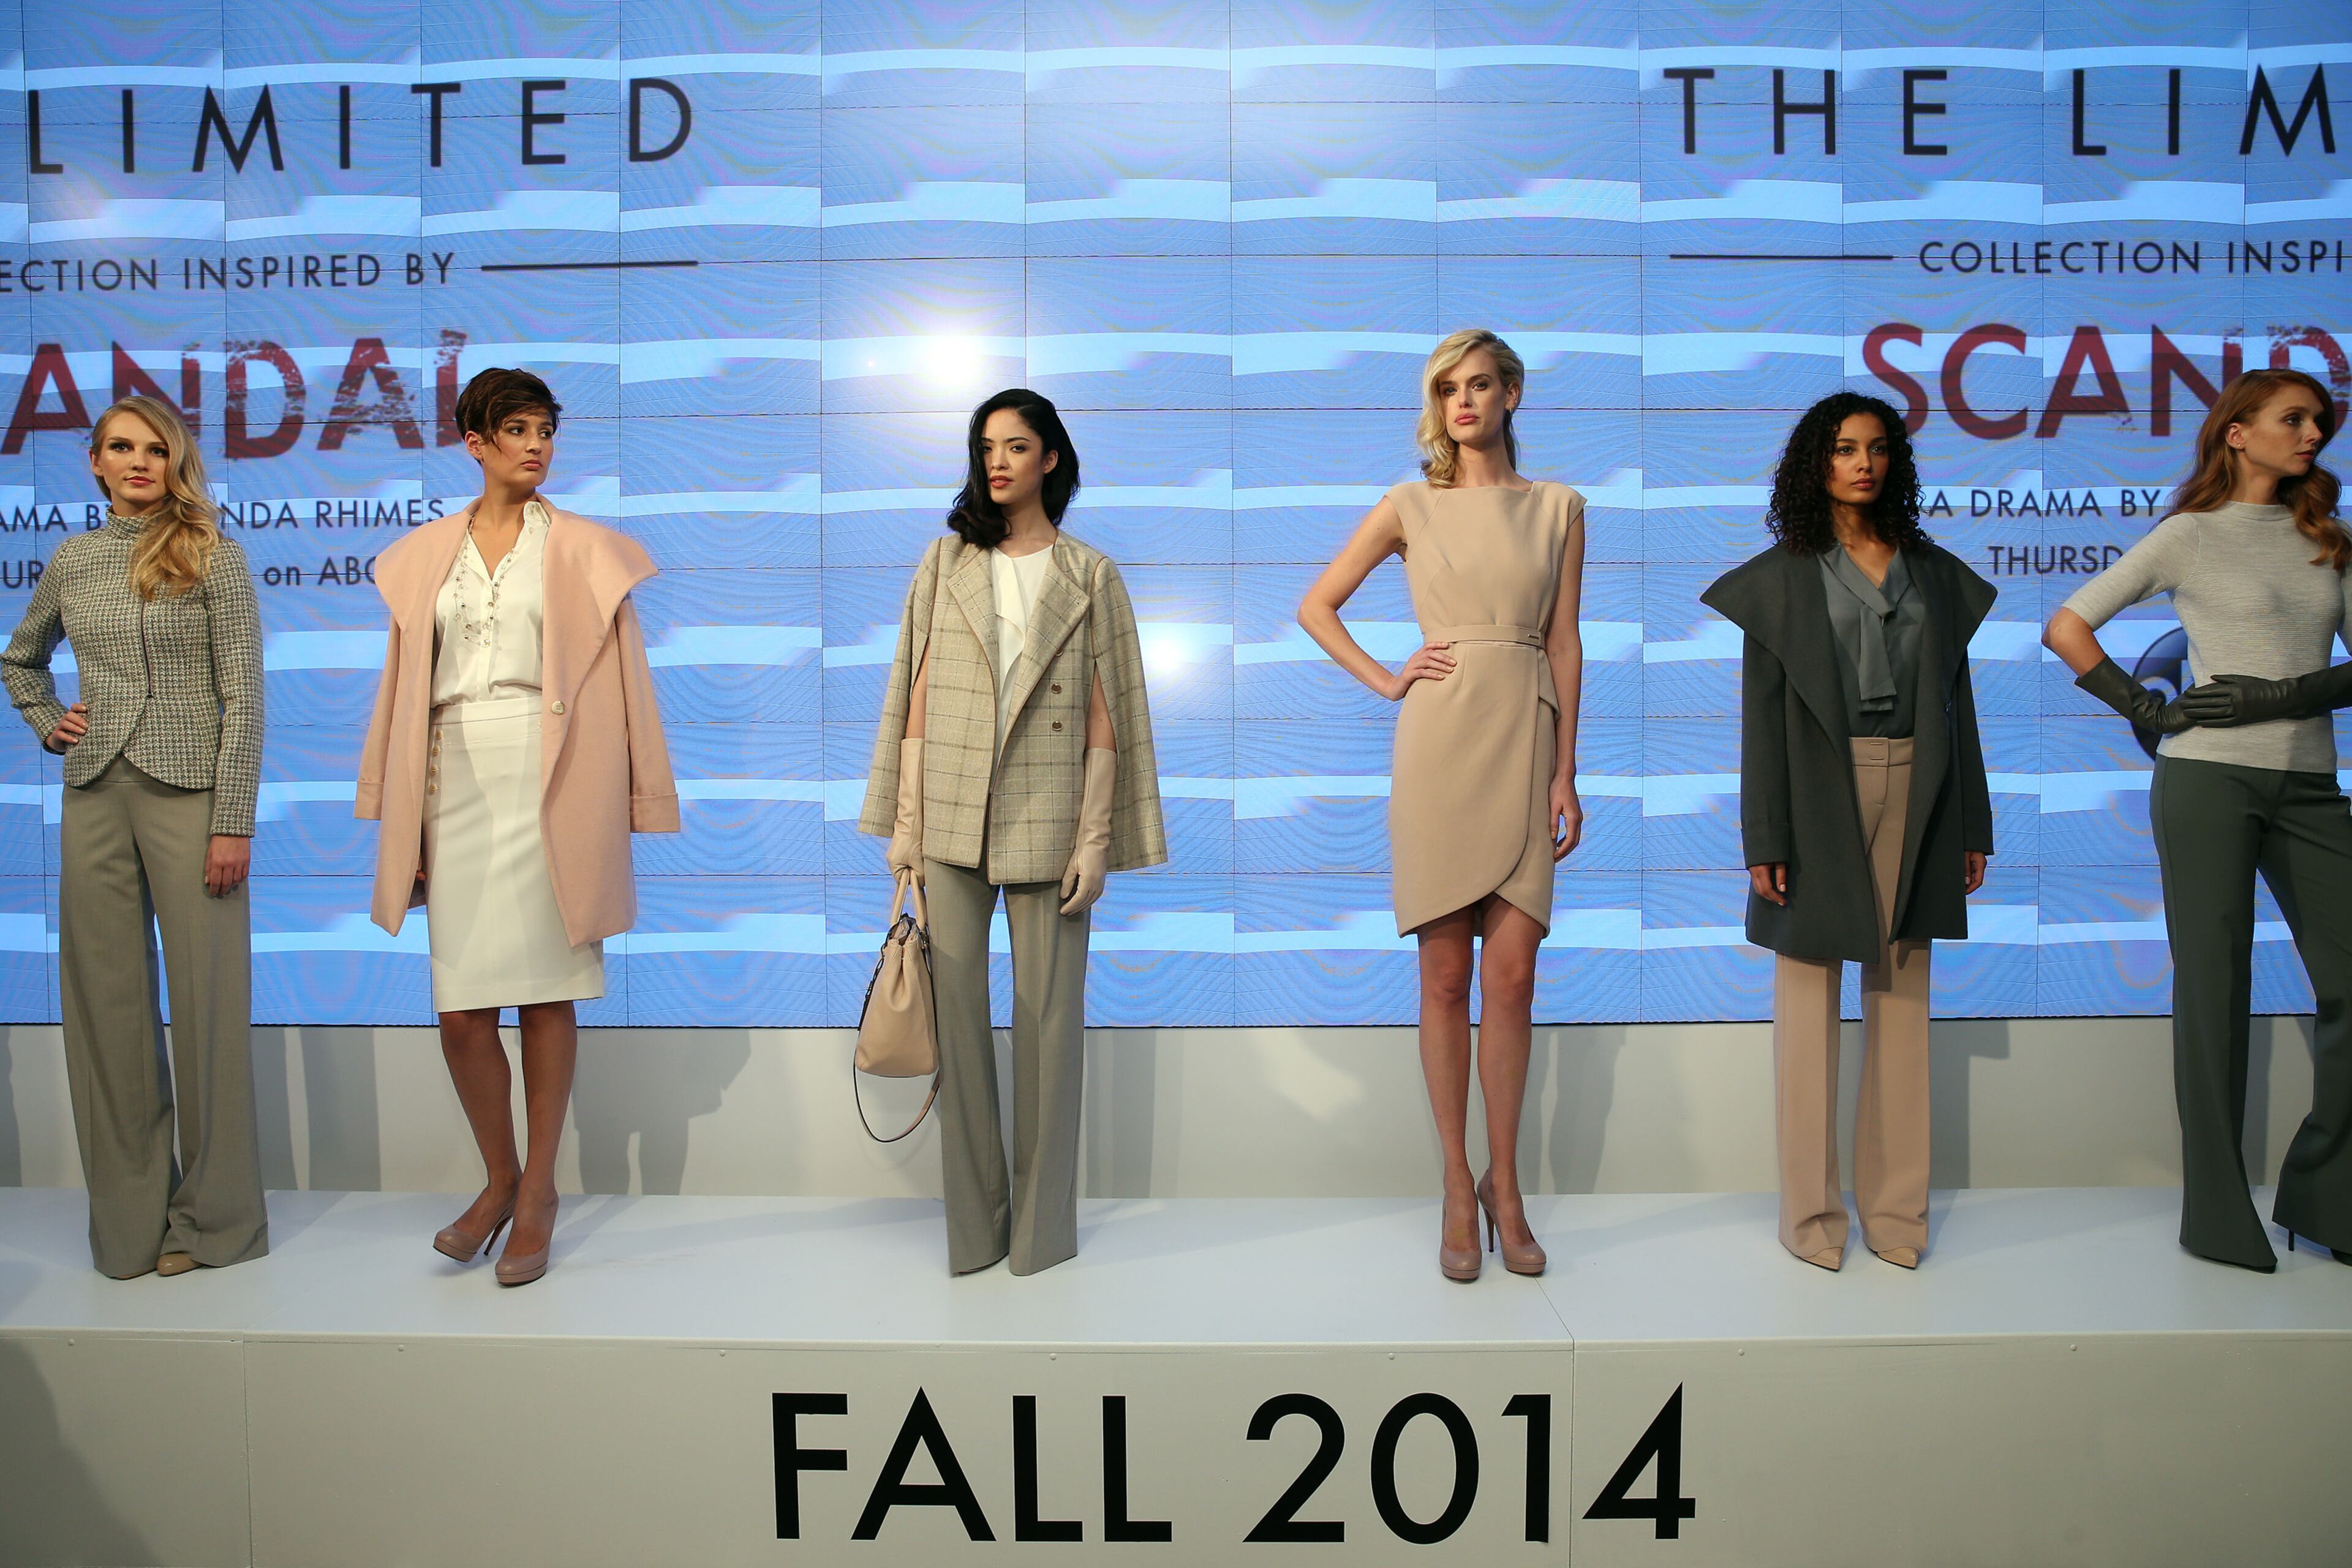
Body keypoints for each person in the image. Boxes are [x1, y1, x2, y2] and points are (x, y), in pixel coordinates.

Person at [355, 368, 679, 1286]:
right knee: (461, 1011)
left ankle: (536, 1190)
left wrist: (642, 798)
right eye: (518, 430)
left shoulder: (585, 550)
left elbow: (628, 688)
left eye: (546, 429)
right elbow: (400, 691)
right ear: (476, 443)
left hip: (554, 775)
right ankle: (497, 1178)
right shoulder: (425, 555)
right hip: (451, 775)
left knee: (545, 993)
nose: (537, 445)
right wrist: (395, 812)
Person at [2046, 367, 2352, 1272]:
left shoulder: (2330, 542)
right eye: (2293, 420)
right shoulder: (2188, 535)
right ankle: (2216, 1213)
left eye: (2319, 423)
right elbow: (2068, 625)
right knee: (2214, 997)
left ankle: (2325, 1195)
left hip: (2310, 790)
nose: (2313, 436)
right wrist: (2146, 709)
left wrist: (2286, 693)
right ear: (2237, 433)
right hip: (2207, 785)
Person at [1297, 329, 1586, 1281]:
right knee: (1446, 981)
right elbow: (1317, 605)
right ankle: (1458, 1189)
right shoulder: (1409, 504)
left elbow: (1565, 647)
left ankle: (1510, 1188)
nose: (1463, 403)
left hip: (1526, 735)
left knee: (1511, 981)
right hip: (1438, 742)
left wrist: (1566, 773)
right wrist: (1389, 680)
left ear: (1512, 395)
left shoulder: (1559, 509)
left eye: (1480, 386)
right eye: (1447, 389)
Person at [861, 388, 1166, 1276]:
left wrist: (1096, 840)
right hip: (951, 819)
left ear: (1052, 460)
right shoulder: (944, 561)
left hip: (1051, 817)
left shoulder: (1092, 574)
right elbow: (912, 702)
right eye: (987, 446)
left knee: (1049, 1031)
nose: (998, 461)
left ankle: (1039, 1236)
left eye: (1017, 446)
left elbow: (1111, 714)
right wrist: (907, 833)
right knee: (956, 1029)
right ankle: (974, 1232)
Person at [1702, 392, 1996, 1272]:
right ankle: (1812, 1220)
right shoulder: (1783, 578)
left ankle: (1898, 1218)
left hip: (1920, 785)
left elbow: (1961, 708)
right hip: (1817, 793)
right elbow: (1761, 716)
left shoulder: (1935, 575)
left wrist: (1972, 821)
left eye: (1876, 449)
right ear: (1815, 464)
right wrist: (1765, 836)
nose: (1863, 463)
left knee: (1902, 1002)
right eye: (1843, 449)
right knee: (1807, 1007)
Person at [1, 395, 268, 1279]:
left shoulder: (214, 556)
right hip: (95, 795)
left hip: (193, 800)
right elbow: (21, 656)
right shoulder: (73, 560)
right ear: (94, 461)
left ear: (175, 461)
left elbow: (247, 701)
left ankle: (218, 1224)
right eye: (122, 448)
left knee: (210, 1015)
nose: (139, 462)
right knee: (106, 1014)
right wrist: (46, 720)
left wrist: (232, 819)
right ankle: (127, 1226)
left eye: (156, 449)